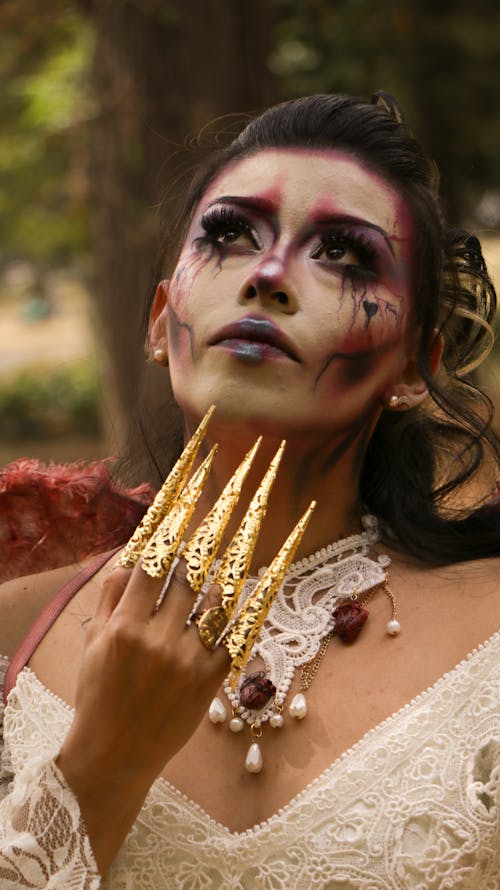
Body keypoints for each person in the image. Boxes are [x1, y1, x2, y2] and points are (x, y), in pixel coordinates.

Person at [0, 92, 499, 889]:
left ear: (415, 366)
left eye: (344, 256)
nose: (268, 276)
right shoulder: (13, 640)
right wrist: (101, 764)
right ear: (163, 321)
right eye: (230, 237)